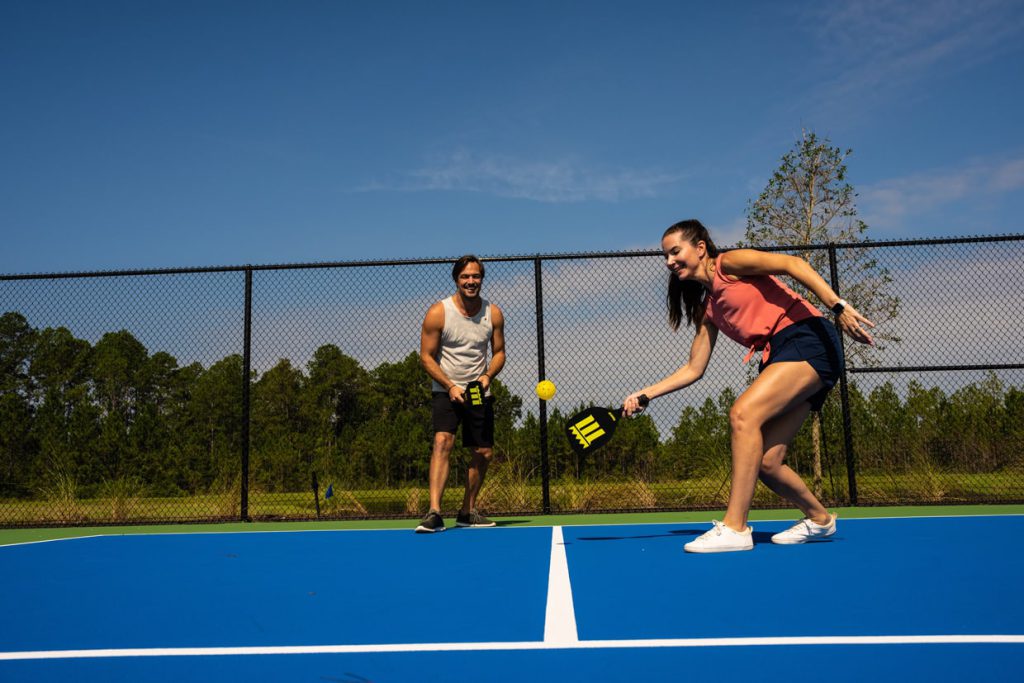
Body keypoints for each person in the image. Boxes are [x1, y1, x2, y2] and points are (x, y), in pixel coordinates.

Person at [623, 219, 875, 553]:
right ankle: (819, 519)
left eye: (675, 251)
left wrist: (838, 306)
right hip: (782, 354)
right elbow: (693, 368)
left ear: (700, 248)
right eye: (665, 256)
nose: (669, 261)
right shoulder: (708, 308)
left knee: (743, 414)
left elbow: (792, 264)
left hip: (807, 337)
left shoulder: (730, 264)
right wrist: (645, 394)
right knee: (768, 464)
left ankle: (735, 527)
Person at [415, 255, 506, 533]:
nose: (471, 281)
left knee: (484, 452)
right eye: (465, 276)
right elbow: (427, 357)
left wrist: (487, 376)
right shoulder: (438, 312)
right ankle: (434, 513)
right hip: (446, 389)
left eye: (476, 276)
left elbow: (499, 353)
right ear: (457, 279)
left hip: (478, 392)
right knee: (443, 442)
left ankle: (467, 511)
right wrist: (450, 385)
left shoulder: (494, 313)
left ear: (482, 279)